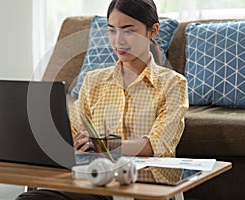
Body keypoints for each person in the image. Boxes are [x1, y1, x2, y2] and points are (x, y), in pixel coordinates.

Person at [16, 0, 188, 199]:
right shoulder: (93, 81)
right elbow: (72, 135)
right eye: (112, 30)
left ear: (153, 31)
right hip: (95, 182)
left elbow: (154, 146)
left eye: (128, 31)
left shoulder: (173, 83)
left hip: (143, 187)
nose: (118, 41)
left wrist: (101, 143)